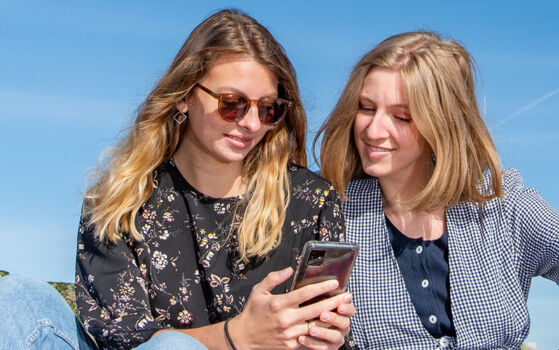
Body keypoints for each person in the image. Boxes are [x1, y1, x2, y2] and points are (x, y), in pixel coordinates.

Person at [0, 9, 355, 350]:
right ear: (184, 95)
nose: (250, 123)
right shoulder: (120, 199)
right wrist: (236, 337)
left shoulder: (310, 200)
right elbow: (124, 339)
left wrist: (325, 338)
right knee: (17, 298)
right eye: (232, 103)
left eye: (268, 109)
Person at [316, 31, 559, 349]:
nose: (374, 130)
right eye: (366, 108)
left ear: (442, 123)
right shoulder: (330, 214)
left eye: (401, 116)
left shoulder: (502, 203)